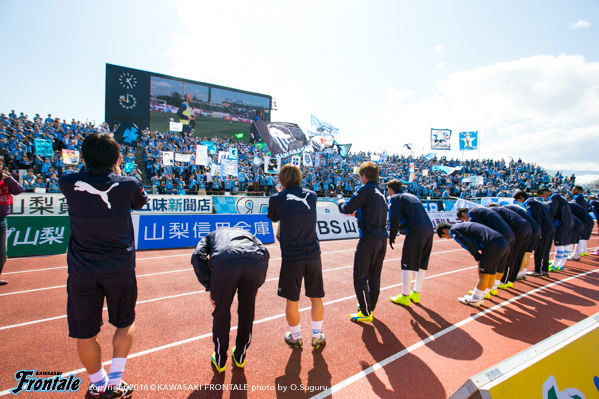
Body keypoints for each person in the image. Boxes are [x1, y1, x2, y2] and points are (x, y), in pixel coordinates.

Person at [58, 134, 148, 399]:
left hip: (81, 270)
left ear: (84, 157)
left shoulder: (67, 181)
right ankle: (115, 382)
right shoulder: (129, 183)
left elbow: (77, 175)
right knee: (125, 322)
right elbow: (139, 200)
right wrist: (116, 170)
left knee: (84, 333)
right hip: (119, 267)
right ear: (117, 158)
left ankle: (98, 385)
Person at [191, 227, 270, 373]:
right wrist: (258, 283)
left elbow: (197, 255)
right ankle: (240, 357)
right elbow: (265, 252)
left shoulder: (210, 236)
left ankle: (220, 360)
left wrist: (210, 284)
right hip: (253, 262)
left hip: (224, 263)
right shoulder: (248, 234)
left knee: (221, 313)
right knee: (247, 312)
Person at [267, 164, 325, 349]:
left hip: (292, 257)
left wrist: (280, 193)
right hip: (313, 255)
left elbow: (274, 218)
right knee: (316, 297)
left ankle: (296, 337)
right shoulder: (312, 195)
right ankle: (317, 336)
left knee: (292, 300)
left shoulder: (277, 198)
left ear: (282, 179)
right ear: (299, 177)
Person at [338, 161, 388, 323]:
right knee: (374, 275)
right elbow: (371, 210)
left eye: (360, 176)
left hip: (369, 238)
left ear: (364, 176)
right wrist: (358, 214)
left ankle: (365, 312)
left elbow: (347, 208)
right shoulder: (380, 190)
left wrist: (339, 203)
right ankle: (369, 306)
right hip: (381, 238)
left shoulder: (365, 189)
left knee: (359, 275)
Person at [437, 222, 510, 307]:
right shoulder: (462, 225)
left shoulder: (453, 230)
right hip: (503, 242)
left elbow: (466, 244)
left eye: (444, 237)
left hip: (492, 245)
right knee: (491, 273)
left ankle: (474, 300)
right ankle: (481, 296)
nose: (448, 238)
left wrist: (478, 257)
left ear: (444, 230)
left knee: (484, 275)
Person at [386, 179, 434, 307]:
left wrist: (391, 236)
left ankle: (405, 296)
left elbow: (394, 218)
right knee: (422, 263)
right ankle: (416, 293)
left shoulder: (395, 197)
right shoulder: (411, 195)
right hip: (429, 229)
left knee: (406, 263)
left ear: (390, 189)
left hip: (415, 232)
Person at [456, 207, 514, 297]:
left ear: (463, 214)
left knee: (488, 266)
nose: (466, 221)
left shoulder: (472, 212)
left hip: (496, 239)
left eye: (463, 219)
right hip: (507, 235)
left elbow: (478, 230)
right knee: (499, 265)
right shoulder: (481, 210)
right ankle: (492, 289)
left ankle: (480, 293)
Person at [486, 204, 532, 288]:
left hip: (518, 228)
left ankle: (504, 281)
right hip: (527, 227)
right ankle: (511, 279)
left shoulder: (493, 211)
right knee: (519, 253)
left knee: (510, 254)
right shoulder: (503, 210)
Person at [513, 191, 555, 277]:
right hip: (550, 226)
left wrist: (537, 230)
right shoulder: (536, 201)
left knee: (539, 249)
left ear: (521, 197)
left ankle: (537, 270)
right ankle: (545, 269)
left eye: (518, 200)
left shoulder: (528, 202)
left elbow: (534, 218)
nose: (519, 202)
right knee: (546, 249)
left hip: (543, 228)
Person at [537, 187, 574, 272]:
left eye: (542, 196)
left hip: (561, 223)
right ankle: (561, 264)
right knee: (565, 244)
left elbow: (552, 211)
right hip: (568, 223)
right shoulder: (559, 196)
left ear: (545, 192)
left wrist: (548, 221)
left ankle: (555, 265)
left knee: (559, 245)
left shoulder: (554, 197)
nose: (544, 198)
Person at [0, 159, 24, 286]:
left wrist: (7, 178)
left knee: (2, 253)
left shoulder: (6, 179)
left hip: (2, 220)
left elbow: (19, 190)